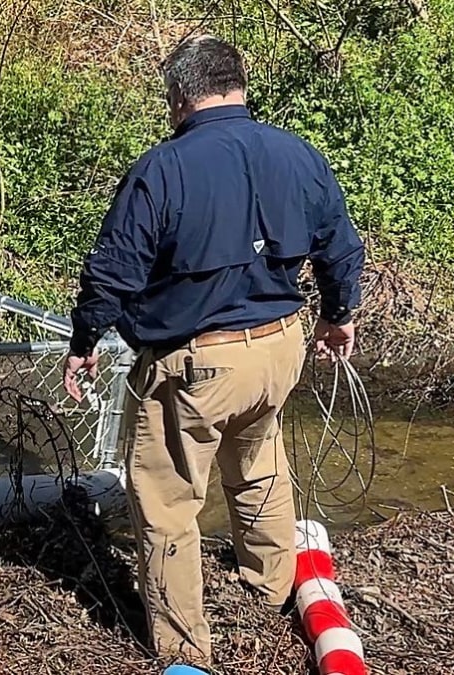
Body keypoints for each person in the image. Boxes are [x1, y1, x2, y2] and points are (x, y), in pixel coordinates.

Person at [63, 36, 364, 667]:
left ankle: (183, 647)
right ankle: (271, 586)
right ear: (239, 84)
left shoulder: (163, 168)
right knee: (258, 464)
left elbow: (113, 272)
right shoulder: (296, 153)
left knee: (168, 500)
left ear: (178, 95)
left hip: (197, 361)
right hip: (280, 348)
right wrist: (337, 318)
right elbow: (340, 245)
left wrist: (85, 341)